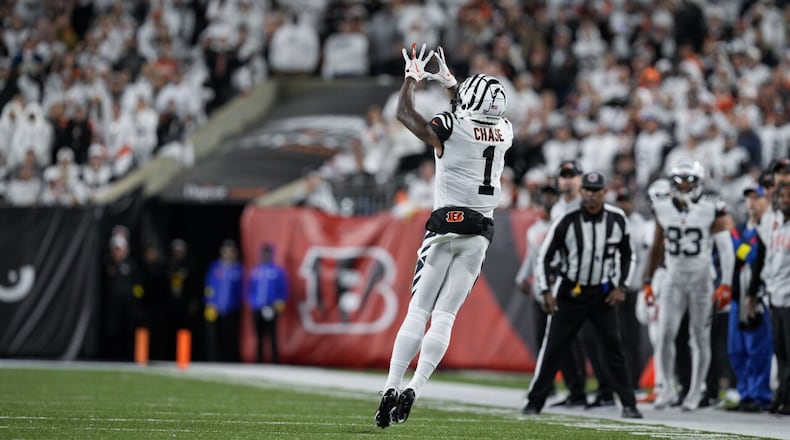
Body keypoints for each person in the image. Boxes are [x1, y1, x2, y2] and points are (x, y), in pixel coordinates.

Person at [374, 43, 513, 428]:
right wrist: (452, 83)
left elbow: (405, 114)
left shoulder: (451, 126)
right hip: (479, 230)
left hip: (445, 224)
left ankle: (390, 386)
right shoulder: (504, 131)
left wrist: (412, 79)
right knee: (445, 316)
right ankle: (416, 388)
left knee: (418, 311)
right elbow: (472, 112)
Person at [521, 171, 642, 419]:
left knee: (614, 348)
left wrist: (622, 286)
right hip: (570, 292)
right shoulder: (566, 220)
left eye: (596, 191)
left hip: (603, 292)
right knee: (553, 348)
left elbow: (629, 254)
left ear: (604, 193)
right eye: (586, 190)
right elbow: (544, 257)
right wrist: (545, 290)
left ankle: (628, 403)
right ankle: (535, 401)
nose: (590, 195)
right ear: (581, 192)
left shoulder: (617, 219)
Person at [642, 161, 736, 411]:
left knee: (700, 338)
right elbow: (656, 247)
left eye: (689, 181)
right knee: (664, 335)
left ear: (698, 182)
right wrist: (648, 282)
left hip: (701, 277)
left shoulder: (711, 206)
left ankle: (696, 392)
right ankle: (668, 389)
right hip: (673, 277)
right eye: (679, 181)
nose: (684, 186)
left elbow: (726, 248)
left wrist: (726, 283)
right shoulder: (662, 206)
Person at [726, 184, 773, 412]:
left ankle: (759, 394)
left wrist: (733, 235)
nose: (752, 202)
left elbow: (748, 254)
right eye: (749, 198)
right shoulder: (745, 228)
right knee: (736, 349)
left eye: (757, 198)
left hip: (757, 296)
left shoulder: (767, 228)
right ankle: (745, 393)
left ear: (766, 201)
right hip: (738, 296)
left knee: (757, 349)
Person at [763, 182, 790, 415]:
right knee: (780, 352)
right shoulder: (778, 227)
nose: (784, 200)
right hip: (776, 295)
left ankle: (786, 397)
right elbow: (770, 261)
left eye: (788, 196)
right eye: (782, 196)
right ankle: (781, 395)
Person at [246, 243, 289, 364]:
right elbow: (249, 289)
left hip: (272, 307)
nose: (265, 256)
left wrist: (278, 305)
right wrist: (252, 302)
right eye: (263, 253)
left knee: (272, 334)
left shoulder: (277, 271)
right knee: (259, 335)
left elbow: (283, 290)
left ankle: (274, 360)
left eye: (267, 253)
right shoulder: (255, 271)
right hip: (257, 307)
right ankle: (259, 359)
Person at [203, 239, 243, 362]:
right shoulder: (215, 267)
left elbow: (241, 290)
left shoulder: (238, 269)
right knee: (213, 336)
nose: (228, 254)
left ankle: (227, 360)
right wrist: (209, 302)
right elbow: (208, 286)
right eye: (226, 251)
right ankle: (213, 359)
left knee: (229, 336)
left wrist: (237, 305)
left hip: (231, 309)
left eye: (231, 251)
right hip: (214, 308)